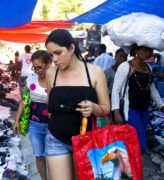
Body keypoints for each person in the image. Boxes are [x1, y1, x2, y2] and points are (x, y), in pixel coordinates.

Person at [44, 29, 110, 179]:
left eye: (58, 53)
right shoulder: (51, 73)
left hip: (86, 140)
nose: (54, 59)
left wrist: (94, 108)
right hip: (56, 138)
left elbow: (106, 108)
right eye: (51, 55)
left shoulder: (95, 72)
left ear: (72, 48)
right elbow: (51, 108)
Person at [111, 45, 164, 153]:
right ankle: (129, 164)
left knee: (133, 143)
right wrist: (116, 111)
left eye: (151, 50)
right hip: (130, 110)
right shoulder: (126, 66)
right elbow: (115, 90)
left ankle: (131, 166)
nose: (150, 52)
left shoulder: (149, 67)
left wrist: (163, 107)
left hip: (144, 111)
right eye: (146, 49)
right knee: (140, 145)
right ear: (137, 50)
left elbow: (152, 90)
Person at [13, 50, 52, 180]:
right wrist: (17, 120)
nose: (37, 71)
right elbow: (24, 101)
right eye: (34, 68)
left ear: (49, 63)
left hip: (53, 126)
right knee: (39, 156)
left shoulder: (56, 79)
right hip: (34, 126)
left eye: (40, 67)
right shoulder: (31, 79)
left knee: (53, 158)